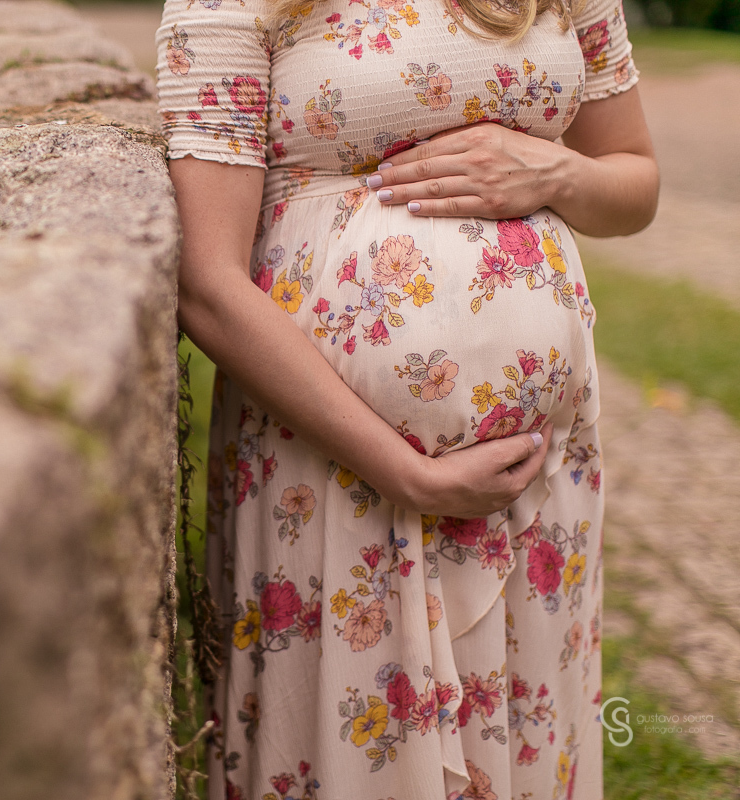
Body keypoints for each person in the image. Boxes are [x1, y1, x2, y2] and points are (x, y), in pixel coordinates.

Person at [155, 0, 658, 796]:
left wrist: (553, 170)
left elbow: (635, 182)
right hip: (335, 472)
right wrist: (407, 472)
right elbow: (208, 284)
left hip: (536, 492)